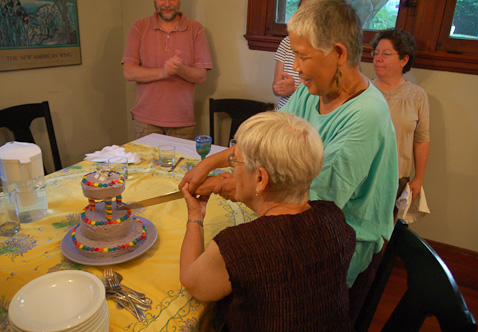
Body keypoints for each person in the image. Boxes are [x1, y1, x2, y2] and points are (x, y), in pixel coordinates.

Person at [180, 0, 398, 323]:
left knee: (240, 293)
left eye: (302, 56)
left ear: (338, 53)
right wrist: (211, 163)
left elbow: (309, 199)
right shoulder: (312, 91)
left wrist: (232, 184)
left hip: (337, 245)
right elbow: (266, 143)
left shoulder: (367, 115)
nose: (294, 67)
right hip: (307, 224)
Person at [180, 111, 356, 331]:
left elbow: (192, 282)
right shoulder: (332, 216)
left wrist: (195, 216)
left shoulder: (238, 245)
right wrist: (251, 196)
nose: (232, 166)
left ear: (261, 179)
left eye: (235, 162)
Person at [122, 0, 212, 140]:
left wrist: (180, 69)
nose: (167, 4)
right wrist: (164, 72)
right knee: (146, 163)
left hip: (182, 122)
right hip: (146, 121)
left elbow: (201, 76)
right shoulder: (139, 26)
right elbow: (128, 72)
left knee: (182, 163)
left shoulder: (196, 28)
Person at [370, 28, 430, 201]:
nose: (378, 59)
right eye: (376, 53)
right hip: (362, 174)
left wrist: (418, 178)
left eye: (386, 54)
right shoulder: (363, 90)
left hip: (397, 178)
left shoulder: (418, 96)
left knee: (387, 226)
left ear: (404, 60)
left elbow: (421, 140)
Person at [272, 0, 307, 109]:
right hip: (284, 112)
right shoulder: (287, 43)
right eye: (301, 11)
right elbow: (275, 88)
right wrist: (284, 89)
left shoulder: (327, 49)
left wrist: (294, 90)